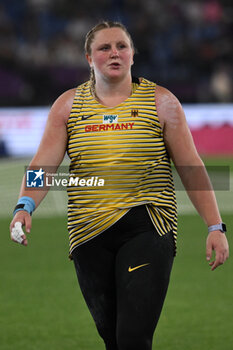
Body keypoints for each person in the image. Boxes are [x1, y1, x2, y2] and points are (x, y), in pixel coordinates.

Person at [10, 21, 229, 350]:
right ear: (88, 58)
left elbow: (192, 168)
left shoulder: (162, 102)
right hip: (87, 233)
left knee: (133, 339)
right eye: (104, 48)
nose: (114, 53)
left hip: (148, 224)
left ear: (132, 56)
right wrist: (24, 206)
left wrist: (215, 225)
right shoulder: (67, 107)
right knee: (113, 340)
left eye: (121, 46)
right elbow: (43, 166)